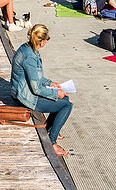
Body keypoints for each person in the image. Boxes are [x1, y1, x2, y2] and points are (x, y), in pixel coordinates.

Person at [10, 23, 73, 157]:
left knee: (63, 98)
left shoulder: (27, 48)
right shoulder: (30, 57)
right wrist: (57, 93)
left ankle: (51, 128)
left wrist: (52, 83)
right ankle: (52, 142)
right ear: (43, 41)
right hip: (25, 97)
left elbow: (36, 78)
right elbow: (36, 88)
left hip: (22, 91)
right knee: (67, 104)